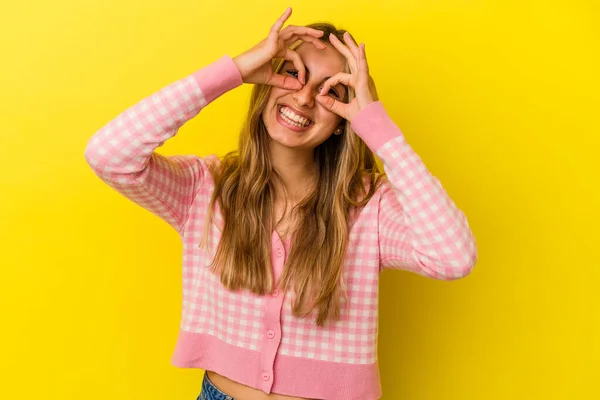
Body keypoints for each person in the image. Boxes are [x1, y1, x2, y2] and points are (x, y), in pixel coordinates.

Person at [84, 7, 478, 400]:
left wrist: (375, 123)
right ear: (266, 80)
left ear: (345, 117)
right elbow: (108, 155)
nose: (305, 98)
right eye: (293, 73)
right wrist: (233, 71)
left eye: (331, 92)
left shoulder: (369, 206)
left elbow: (453, 257)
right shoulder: (205, 188)